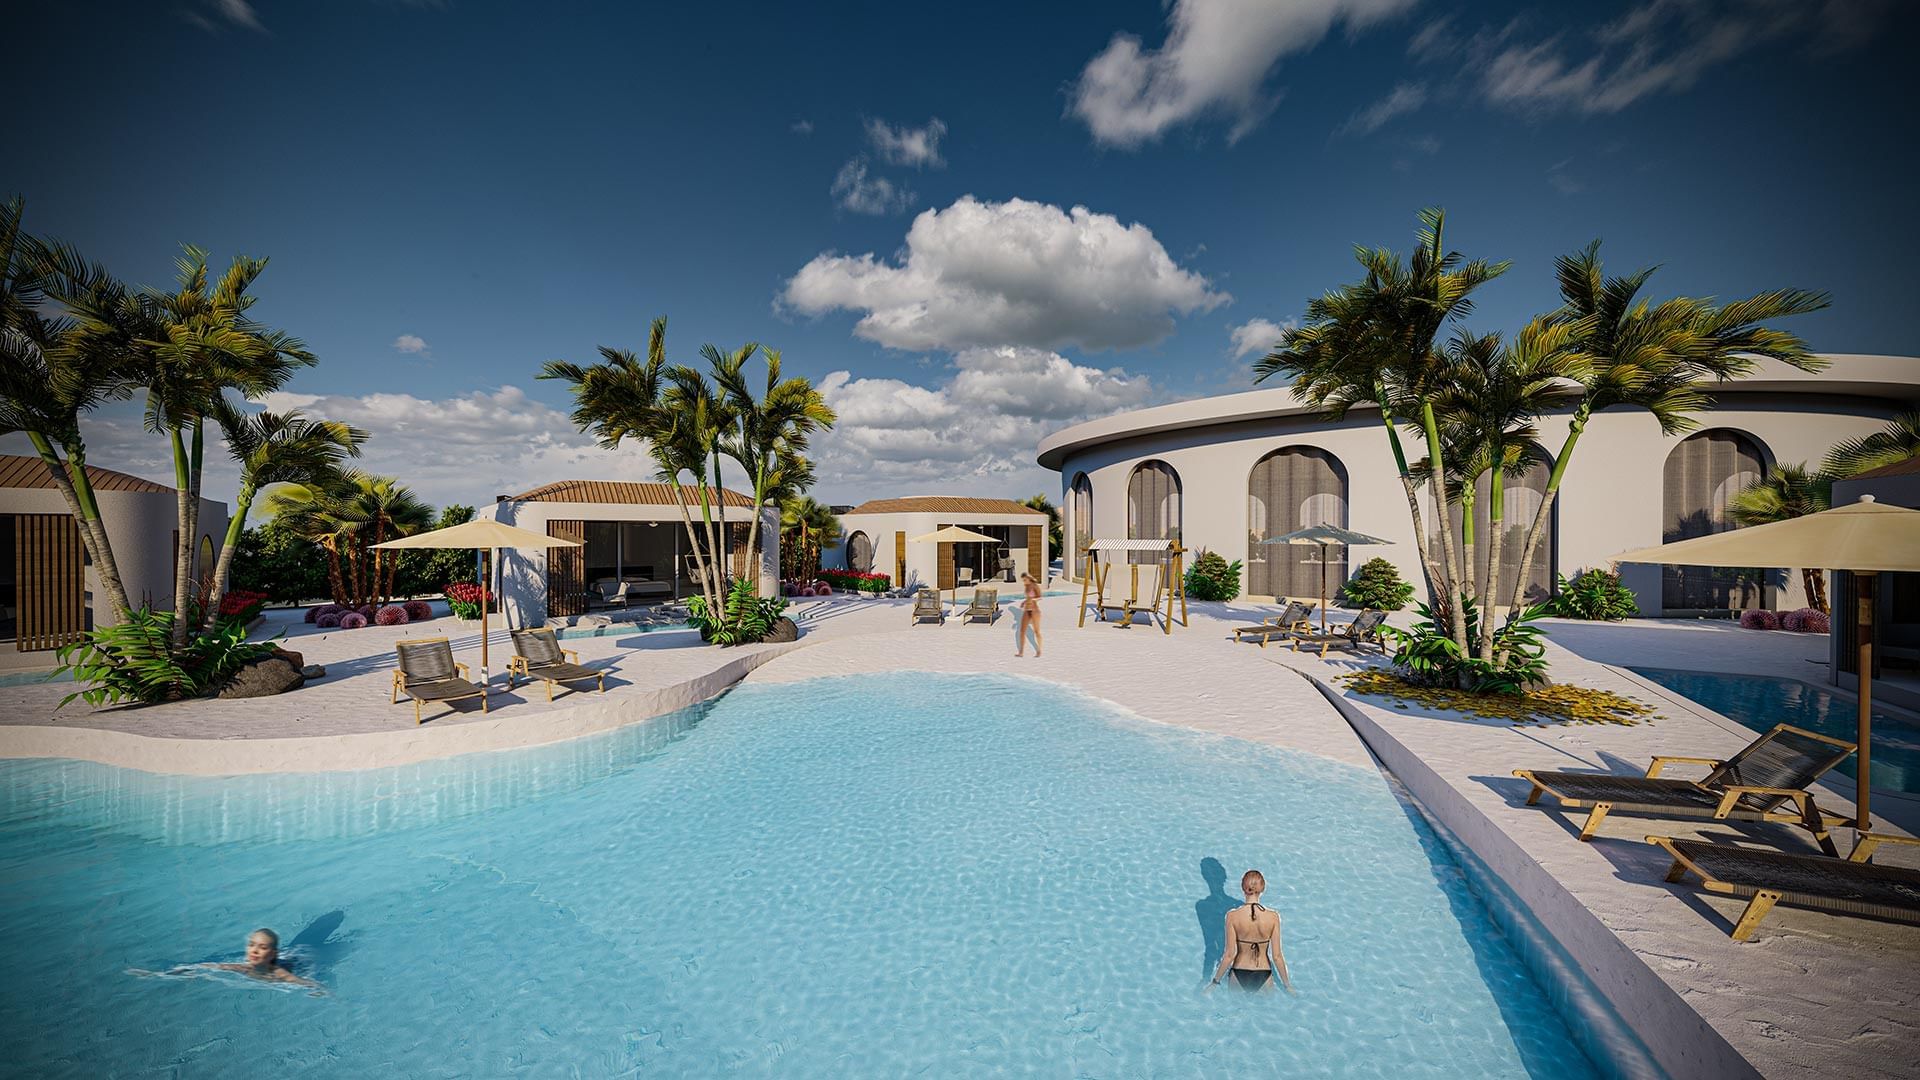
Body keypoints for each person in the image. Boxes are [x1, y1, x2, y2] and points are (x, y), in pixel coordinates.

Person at [1210, 870, 1293, 992]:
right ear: (1262, 888)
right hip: (1264, 972)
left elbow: (1229, 954)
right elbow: (1277, 956)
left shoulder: (1232, 916)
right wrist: (1287, 985)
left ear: (1243, 888)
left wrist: (1215, 982)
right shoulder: (1273, 917)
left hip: (1238, 972)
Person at [210, 928, 322, 989]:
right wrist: (200, 968)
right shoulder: (244, 968)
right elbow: (220, 966)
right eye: (251, 945)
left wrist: (318, 990)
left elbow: (305, 982)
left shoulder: (279, 973)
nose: (254, 950)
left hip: (297, 960)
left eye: (263, 947)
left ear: (273, 953)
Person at [1015, 572, 1043, 657]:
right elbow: (1028, 597)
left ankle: (1039, 651)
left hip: (1034, 610)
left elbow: (1040, 597)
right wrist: (1024, 602)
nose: (1024, 582)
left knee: (1036, 631)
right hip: (1027, 610)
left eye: (1025, 580)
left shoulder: (1034, 586)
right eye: (1023, 580)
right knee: (1022, 631)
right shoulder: (1026, 587)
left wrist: (1033, 600)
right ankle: (1021, 652)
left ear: (1028, 578)